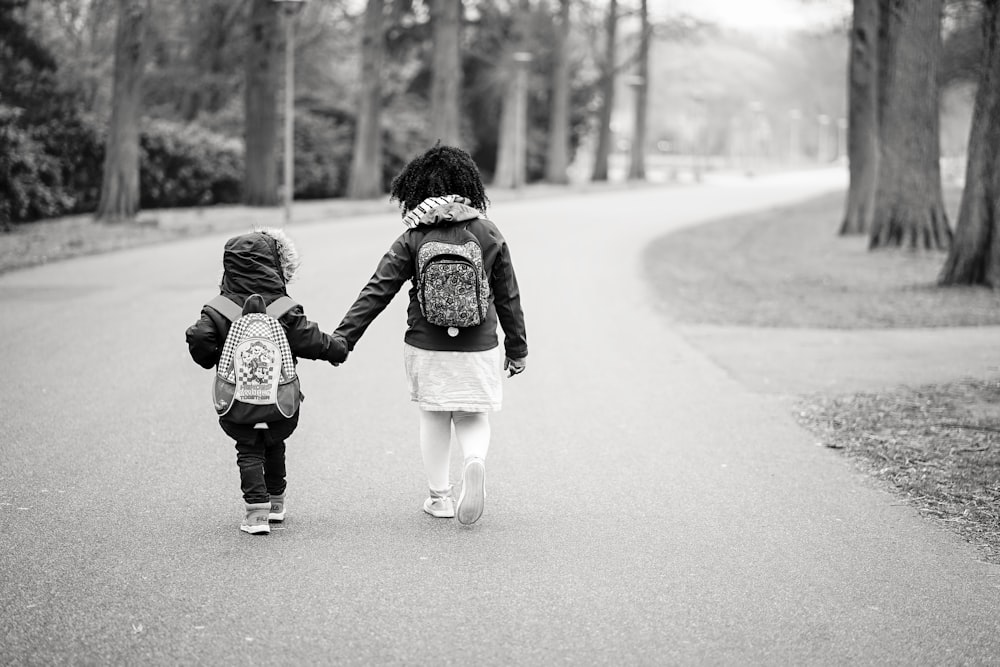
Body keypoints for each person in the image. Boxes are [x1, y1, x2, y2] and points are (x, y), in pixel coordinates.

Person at [331, 144, 528, 526]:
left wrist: (343, 339)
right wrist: (517, 349)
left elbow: (377, 289)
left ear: (416, 189)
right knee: (472, 415)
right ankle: (473, 461)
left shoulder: (414, 235)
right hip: (479, 344)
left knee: (434, 416)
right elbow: (508, 296)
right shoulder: (487, 232)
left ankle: (440, 498)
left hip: (426, 344)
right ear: (468, 185)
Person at [186, 228, 347, 535]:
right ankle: (276, 503)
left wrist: (213, 356)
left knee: (248, 448)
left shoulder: (219, 309)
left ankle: (256, 514)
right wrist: (337, 348)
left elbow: (201, 338)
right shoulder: (283, 309)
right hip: (279, 401)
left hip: (238, 402)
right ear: (276, 266)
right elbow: (309, 339)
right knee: (274, 443)